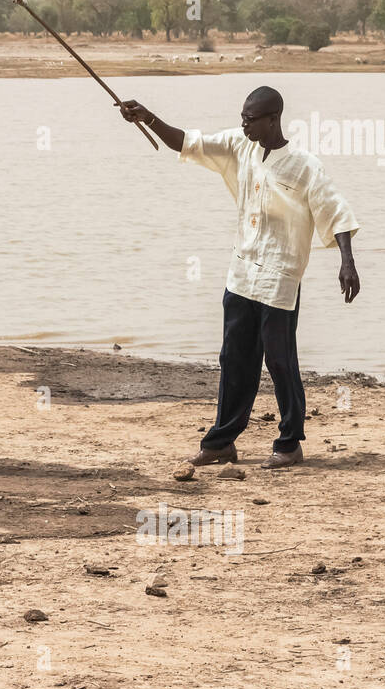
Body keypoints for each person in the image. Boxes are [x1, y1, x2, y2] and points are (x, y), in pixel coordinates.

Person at [119, 87, 360, 469]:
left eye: (251, 118)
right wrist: (148, 117)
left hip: (281, 276)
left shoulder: (304, 165)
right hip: (242, 273)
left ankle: (289, 444)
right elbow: (186, 141)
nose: (243, 122)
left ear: (273, 119)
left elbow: (336, 212)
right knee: (234, 359)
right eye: (243, 116)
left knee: (281, 362)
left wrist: (346, 261)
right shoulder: (238, 146)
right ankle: (221, 442)